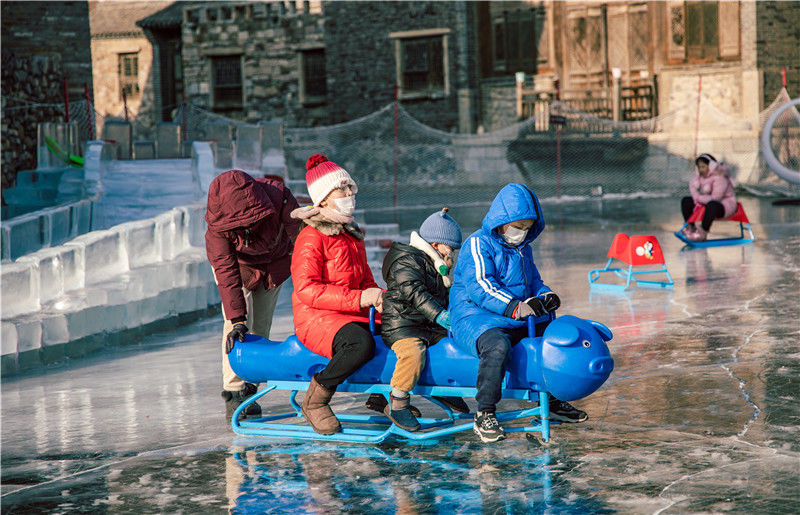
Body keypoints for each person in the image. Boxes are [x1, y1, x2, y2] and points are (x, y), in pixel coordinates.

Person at [449, 183, 587, 443]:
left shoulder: (524, 249)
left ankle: (554, 401)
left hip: (510, 314)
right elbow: (481, 286)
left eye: (526, 228)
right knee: (498, 346)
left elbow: (532, 281)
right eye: (517, 226)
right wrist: (515, 307)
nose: (521, 233)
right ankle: (485, 412)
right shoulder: (478, 243)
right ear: (502, 221)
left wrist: (545, 295)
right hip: (474, 316)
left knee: (551, 338)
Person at [290, 154, 384, 435]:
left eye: (350, 188)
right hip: (317, 318)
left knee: (399, 327)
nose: (349, 194)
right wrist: (359, 299)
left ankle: (383, 396)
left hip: (348, 312)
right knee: (360, 344)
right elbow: (307, 290)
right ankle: (316, 400)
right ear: (323, 198)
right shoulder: (311, 236)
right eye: (341, 190)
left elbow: (366, 281)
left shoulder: (351, 235)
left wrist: (383, 298)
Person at [205, 169, 301, 417]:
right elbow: (226, 274)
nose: (246, 226)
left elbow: (303, 243)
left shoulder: (280, 199)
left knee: (261, 326)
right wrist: (237, 318)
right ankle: (233, 390)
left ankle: (250, 387)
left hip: (275, 264)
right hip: (239, 267)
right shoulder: (217, 227)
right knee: (236, 327)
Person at [379, 208, 470, 431]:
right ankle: (399, 402)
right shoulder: (407, 260)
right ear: (436, 245)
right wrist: (439, 315)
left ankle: (444, 389)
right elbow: (414, 293)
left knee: (452, 345)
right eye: (451, 248)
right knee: (413, 352)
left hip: (425, 325)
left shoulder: (437, 266)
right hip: (403, 325)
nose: (453, 254)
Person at [680, 153, 737, 242]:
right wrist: (696, 196)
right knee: (686, 200)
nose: (701, 169)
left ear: (711, 167)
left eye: (703, 167)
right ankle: (690, 227)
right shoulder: (700, 177)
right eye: (699, 167)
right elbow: (693, 186)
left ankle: (702, 233)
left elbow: (716, 198)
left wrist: (698, 198)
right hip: (707, 202)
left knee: (712, 205)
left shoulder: (720, 177)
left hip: (725, 205)